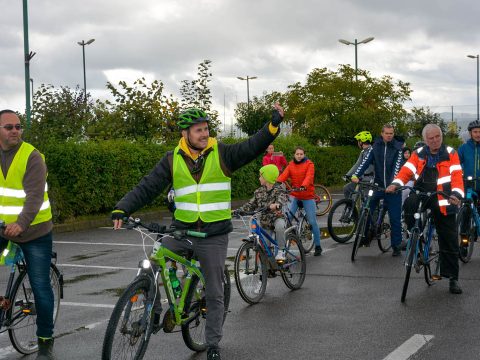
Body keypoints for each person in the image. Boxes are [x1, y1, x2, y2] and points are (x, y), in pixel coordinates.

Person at [112, 104, 284, 360]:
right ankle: (154, 309)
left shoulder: (222, 153)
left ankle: (212, 344)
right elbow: (147, 186)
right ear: (185, 134)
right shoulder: (172, 159)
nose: (204, 134)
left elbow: (252, 146)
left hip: (214, 236)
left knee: (214, 290)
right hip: (183, 231)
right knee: (151, 261)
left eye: (206, 129)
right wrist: (123, 208)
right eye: (198, 130)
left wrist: (272, 127)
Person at [0, 110, 56, 359]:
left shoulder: (32, 156)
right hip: (3, 226)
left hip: (34, 230)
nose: (14, 131)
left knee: (40, 286)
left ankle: (45, 341)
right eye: (8, 127)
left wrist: (22, 223)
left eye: (18, 127)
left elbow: (34, 196)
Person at [386, 124, 464, 294]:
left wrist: (457, 195)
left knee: (448, 235)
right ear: (425, 140)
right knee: (409, 204)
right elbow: (406, 171)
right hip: (422, 192)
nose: (435, 140)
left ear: (441, 136)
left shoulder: (451, 153)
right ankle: (415, 235)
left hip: (443, 196)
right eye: (431, 138)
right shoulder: (418, 154)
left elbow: (457, 177)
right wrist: (395, 184)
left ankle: (453, 278)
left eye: (438, 136)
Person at [351, 124, 404, 256]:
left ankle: (396, 245)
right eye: (387, 133)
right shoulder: (376, 146)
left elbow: (397, 168)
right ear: (382, 133)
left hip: (393, 189)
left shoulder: (398, 148)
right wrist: (356, 175)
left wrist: (393, 185)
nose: (389, 135)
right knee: (366, 209)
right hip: (377, 186)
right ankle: (366, 235)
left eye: (391, 133)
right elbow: (366, 162)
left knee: (395, 218)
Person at [234, 164, 288, 261]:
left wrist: (276, 205)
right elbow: (251, 204)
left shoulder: (279, 190)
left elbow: (281, 199)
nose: (259, 178)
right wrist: (240, 210)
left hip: (276, 218)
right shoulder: (258, 191)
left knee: (280, 227)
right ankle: (267, 268)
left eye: (261, 176)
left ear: (267, 177)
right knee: (264, 249)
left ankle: (281, 250)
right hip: (264, 222)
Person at [277, 146, 323, 256]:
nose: (299, 156)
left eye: (301, 154)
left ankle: (318, 246)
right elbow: (284, 175)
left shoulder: (309, 164)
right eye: (297, 154)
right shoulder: (291, 165)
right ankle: (285, 246)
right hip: (295, 195)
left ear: (304, 154)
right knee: (287, 219)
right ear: (294, 155)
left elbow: (309, 177)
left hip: (307, 195)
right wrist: (277, 183)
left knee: (312, 221)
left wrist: (303, 186)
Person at [343, 131, 374, 199]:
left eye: (358, 141)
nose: (358, 143)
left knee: (366, 199)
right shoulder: (363, 152)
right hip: (361, 179)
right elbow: (357, 164)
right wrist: (348, 175)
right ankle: (351, 208)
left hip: (370, 181)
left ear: (361, 141)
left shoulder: (372, 151)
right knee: (347, 189)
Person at [458, 120, 480, 192]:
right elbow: (456, 165)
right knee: (468, 203)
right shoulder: (463, 148)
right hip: (469, 186)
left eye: (479, 132)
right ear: (470, 133)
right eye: (475, 132)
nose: (478, 134)